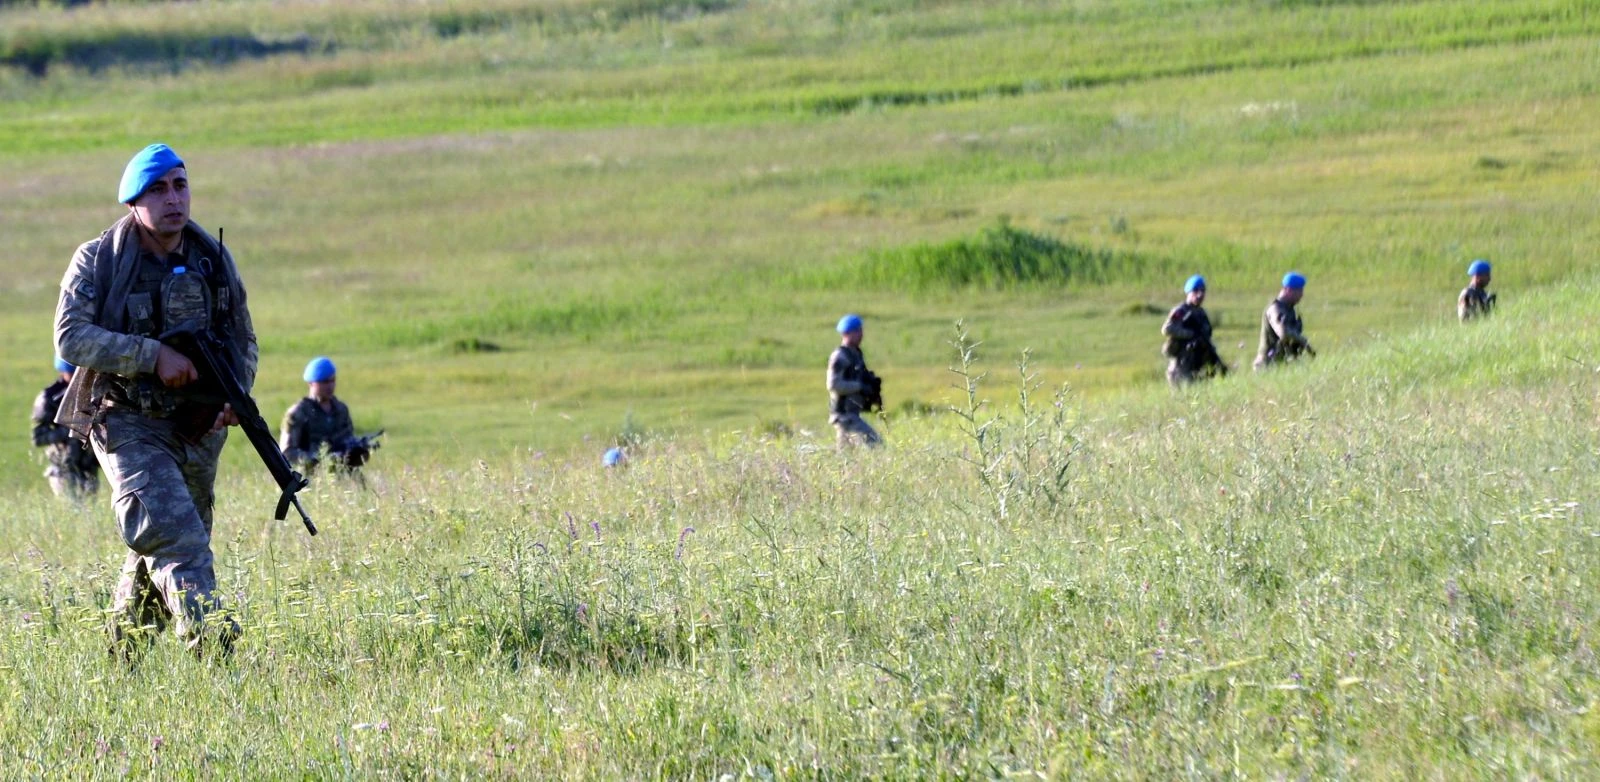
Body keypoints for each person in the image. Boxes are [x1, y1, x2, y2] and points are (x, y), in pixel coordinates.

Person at [54, 143, 255, 657]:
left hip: (196, 428)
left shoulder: (212, 258)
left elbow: (242, 340)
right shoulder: (99, 261)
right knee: (179, 540)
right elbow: (71, 338)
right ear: (133, 204)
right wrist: (151, 356)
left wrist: (235, 394)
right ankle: (215, 652)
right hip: (125, 420)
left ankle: (123, 658)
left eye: (180, 185)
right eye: (158, 190)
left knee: (157, 549)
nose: (173, 199)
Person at [31, 357, 101, 499]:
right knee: (73, 509)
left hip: (89, 468)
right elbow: (38, 438)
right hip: (63, 470)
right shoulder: (49, 397)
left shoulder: (95, 393)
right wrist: (71, 430)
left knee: (89, 514)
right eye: (73, 374)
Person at [279, 356, 359, 471]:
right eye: (324, 382)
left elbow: (348, 439)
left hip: (342, 474)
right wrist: (318, 460)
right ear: (311, 383)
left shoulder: (341, 410)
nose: (330, 386)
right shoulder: (298, 413)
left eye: (333, 380)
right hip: (310, 477)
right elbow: (287, 452)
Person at [827, 313, 882, 449]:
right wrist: (859, 386)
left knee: (845, 455)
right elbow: (833, 384)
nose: (861, 334)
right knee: (876, 445)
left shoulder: (855, 354)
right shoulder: (840, 356)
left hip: (851, 413)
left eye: (861, 330)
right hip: (844, 415)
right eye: (857, 331)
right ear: (847, 333)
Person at [1161, 275, 1225, 386]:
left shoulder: (1201, 313)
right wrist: (1190, 334)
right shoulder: (1181, 311)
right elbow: (1167, 329)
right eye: (1195, 291)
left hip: (1197, 366)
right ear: (1188, 292)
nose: (1200, 294)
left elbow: (1207, 335)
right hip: (1180, 367)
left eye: (1202, 291)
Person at [1254, 272, 1314, 370]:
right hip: (1266, 366)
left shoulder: (1289, 309)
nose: (1302, 295)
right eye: (1299, 291)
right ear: (1288, 290)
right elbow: (1283, 332)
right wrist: (1304, 342)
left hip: (1280, 364)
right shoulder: (1275, 309)